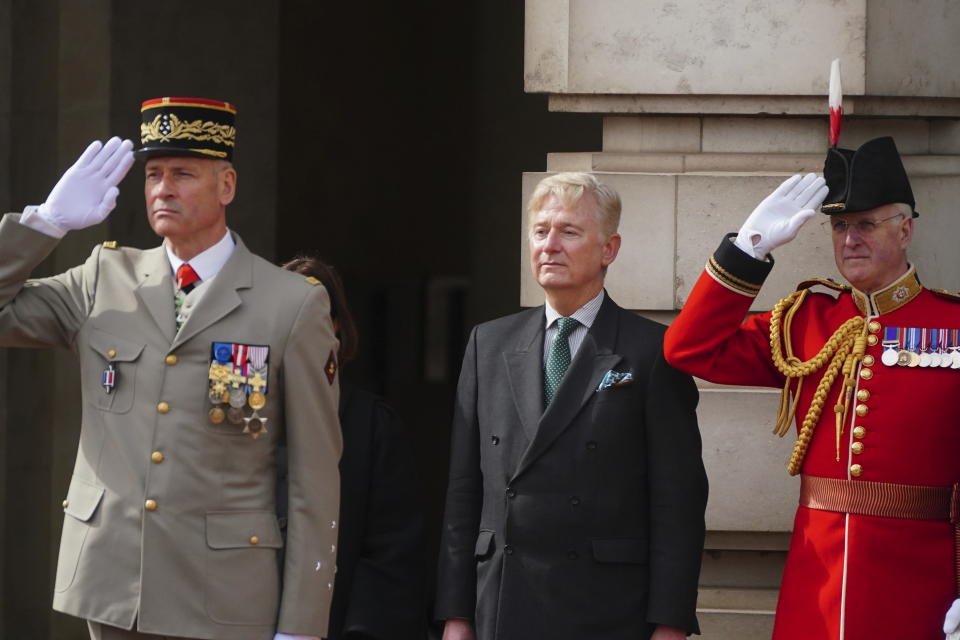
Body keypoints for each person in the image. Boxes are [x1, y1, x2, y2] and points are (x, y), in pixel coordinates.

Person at [0, 97, 341, 640]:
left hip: (223, 595)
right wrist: (44, 224)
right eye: (153, 174)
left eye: (183, 174)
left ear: (226, 186)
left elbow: (313, 475)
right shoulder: (103, 278)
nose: (163, 189)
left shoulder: (290, 304)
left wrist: (301, 624)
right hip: (114, 589)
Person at [663, 136, 960, 640]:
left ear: (905, 229)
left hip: (920, 589)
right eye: (840, 226)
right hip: (817, 588)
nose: (850, 239)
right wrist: (748, 248)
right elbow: (688, 349)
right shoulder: (806, 322)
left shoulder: (951, 324)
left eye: (867, 224)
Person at [435, 172, 708, 640]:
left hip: (606, 608)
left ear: (609, 249)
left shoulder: (651, 351)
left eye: (569, 232)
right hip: (502, 602)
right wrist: (455, 615)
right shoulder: (489, 343)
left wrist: (670, 623)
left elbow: (677, 503)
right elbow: (464, 492)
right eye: (540, 231)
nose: (550, 245)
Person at [279, 256, 427, 640]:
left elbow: (393, 553)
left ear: (337, 328)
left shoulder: (373, 424)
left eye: (310, 317)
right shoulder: (238, 418)